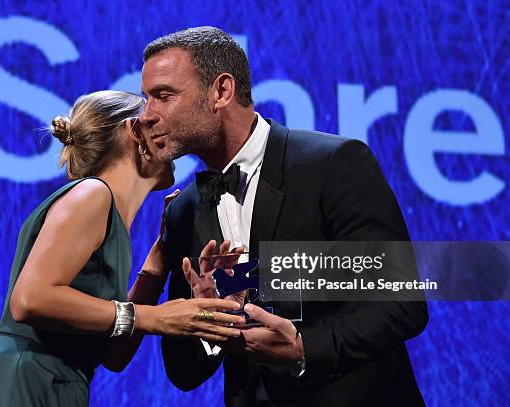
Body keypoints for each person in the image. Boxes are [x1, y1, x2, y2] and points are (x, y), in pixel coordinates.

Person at [140, 27, 429, 406]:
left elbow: (402, 305)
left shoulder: (334, 165)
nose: (146, 116)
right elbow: (183, 373)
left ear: (221, 92)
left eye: (163, 96)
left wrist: (303, 348)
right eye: (146, 99)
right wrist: (208, 320)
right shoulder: (183, 210)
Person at [0, 90, 245, 407]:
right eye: (156, 124)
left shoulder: (110, 217)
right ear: (133, 132)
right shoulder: (92, 194)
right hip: (21, 384)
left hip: (59, 388)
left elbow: (115, 354)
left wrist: (159, 260)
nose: (172, 138)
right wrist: (154, 317)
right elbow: (29, 299)